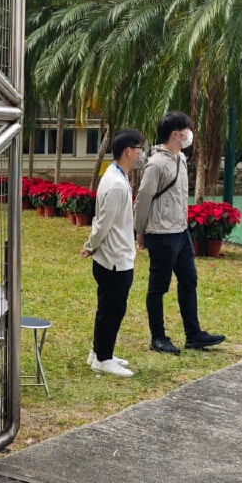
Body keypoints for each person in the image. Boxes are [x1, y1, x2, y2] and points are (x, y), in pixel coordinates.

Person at [134, 112, 226, 355]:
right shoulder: (156, 164)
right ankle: (158, 337)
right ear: (176, 134)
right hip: (161, 233)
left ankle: (193, 334)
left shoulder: (181, 158)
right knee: (158, 287)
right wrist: (140, 230)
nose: (189, 133)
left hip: (181, 231)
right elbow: (143, 199)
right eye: (186, 129)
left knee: (189, 280)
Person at [82, 128, 146, 377]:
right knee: (112, 309)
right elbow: (103, 223)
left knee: (108, 308)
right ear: (128, 151)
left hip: (114, 256)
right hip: (114, 260)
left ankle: (99, 351)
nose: (141, 154)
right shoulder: (117, 184)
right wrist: (91, 245)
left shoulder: (115, 176)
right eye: (139, 149)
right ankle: (103, 358)